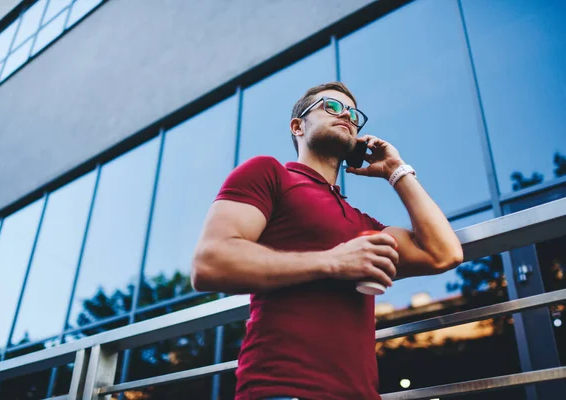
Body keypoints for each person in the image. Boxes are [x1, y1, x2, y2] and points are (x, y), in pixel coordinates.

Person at [191, 82, 463, 400]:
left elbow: (444, 253)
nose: (346, 115)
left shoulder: (363, 224)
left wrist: (396, 170)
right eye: (332, 107)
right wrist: (333, 261)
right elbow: (209, 262)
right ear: (298, 126)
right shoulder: (269, 174)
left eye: (353, 114)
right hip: (284, 390)